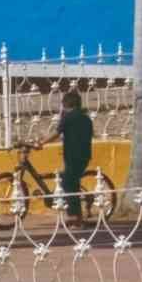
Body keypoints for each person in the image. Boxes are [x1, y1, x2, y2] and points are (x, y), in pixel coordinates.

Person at [56, 85, 96, 216]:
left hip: (72, 156)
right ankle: (76, 214)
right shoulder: (86, 118)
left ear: (66, 104)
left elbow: (56, 134)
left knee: (69, 184)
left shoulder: (67, 117)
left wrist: (41, 143)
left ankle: (76, 216)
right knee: (71, 182)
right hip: (84, 156)